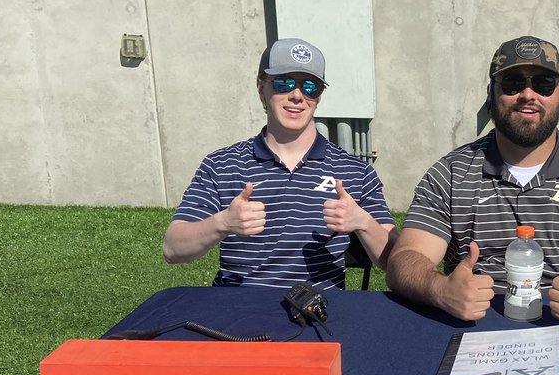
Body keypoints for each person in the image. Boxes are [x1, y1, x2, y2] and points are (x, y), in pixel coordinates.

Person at [386, 35, 559, 322]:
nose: (528, 94)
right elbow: (405, 258)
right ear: (491, 92)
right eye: (513, 83)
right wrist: (439, 289)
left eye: (543, 84)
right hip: (473, 324)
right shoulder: (450, 174)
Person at [163, 38, 396, 290]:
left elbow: (395, 260)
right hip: (236, 312)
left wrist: (362, 222)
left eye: (310, 87)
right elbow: (173, 248)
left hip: (318, 314)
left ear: (319, 97)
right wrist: (223, 223)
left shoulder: (354, 171)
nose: (297, 96)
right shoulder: (222, 165)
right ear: (261, 88)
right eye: (283, 83)